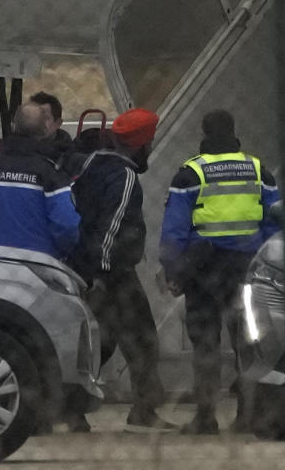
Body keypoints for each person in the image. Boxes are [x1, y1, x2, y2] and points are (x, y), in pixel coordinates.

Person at [159, 109, 280, 435]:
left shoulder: (190, 174)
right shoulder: (259, 171)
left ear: (204, 132)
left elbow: (174, 230)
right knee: (248, 343)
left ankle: (206, 417)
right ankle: (247, 415)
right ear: (233, 130)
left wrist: (173, 270)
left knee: (206, 345)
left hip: (203, 272)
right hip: (247, 270)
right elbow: (275, 223)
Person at [68, 107, 175, 433]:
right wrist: (100, 273)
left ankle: (71, 409)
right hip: (112, 273)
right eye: (151, 141)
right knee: (142, 341)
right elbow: (112, 226)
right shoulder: (124, 176)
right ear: (141, 144)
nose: (152, 147)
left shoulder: (88, 165)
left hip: (84, 267)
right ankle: (144, 411)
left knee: (100, 342)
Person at [0, 102, 79, 261]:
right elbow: (67, 226)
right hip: (39, 267)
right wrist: (58, 256)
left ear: (14, 126)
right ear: (45, 129)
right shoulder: (50, 174)